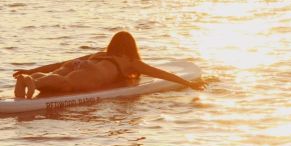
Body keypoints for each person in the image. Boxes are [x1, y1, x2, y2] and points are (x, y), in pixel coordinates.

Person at [13, 31, 206, 99]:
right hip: (93, 71)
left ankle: (31, 80)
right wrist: (188, 84)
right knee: (66, 84)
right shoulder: (131, 62)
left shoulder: (100, 54)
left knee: (61, 74)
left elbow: (60, 63)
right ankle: (33, 83)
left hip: (80, 63)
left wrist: (32, 70)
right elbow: (161, 73)